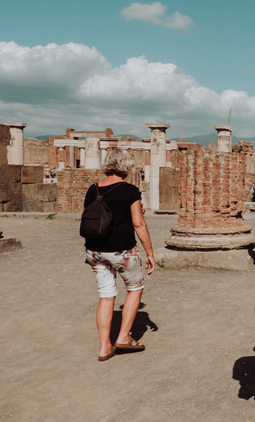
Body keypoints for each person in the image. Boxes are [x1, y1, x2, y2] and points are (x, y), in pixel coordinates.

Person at [83, 148, 156, 362]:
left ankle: (105, 347)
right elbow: (138, 222)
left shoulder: (93, 189)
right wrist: (150, 252)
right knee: (135, 288)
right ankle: (123, 336)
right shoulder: (130, 191)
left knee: (106, 295)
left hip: (95, 250)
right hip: (122, 251)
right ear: (126, 166)